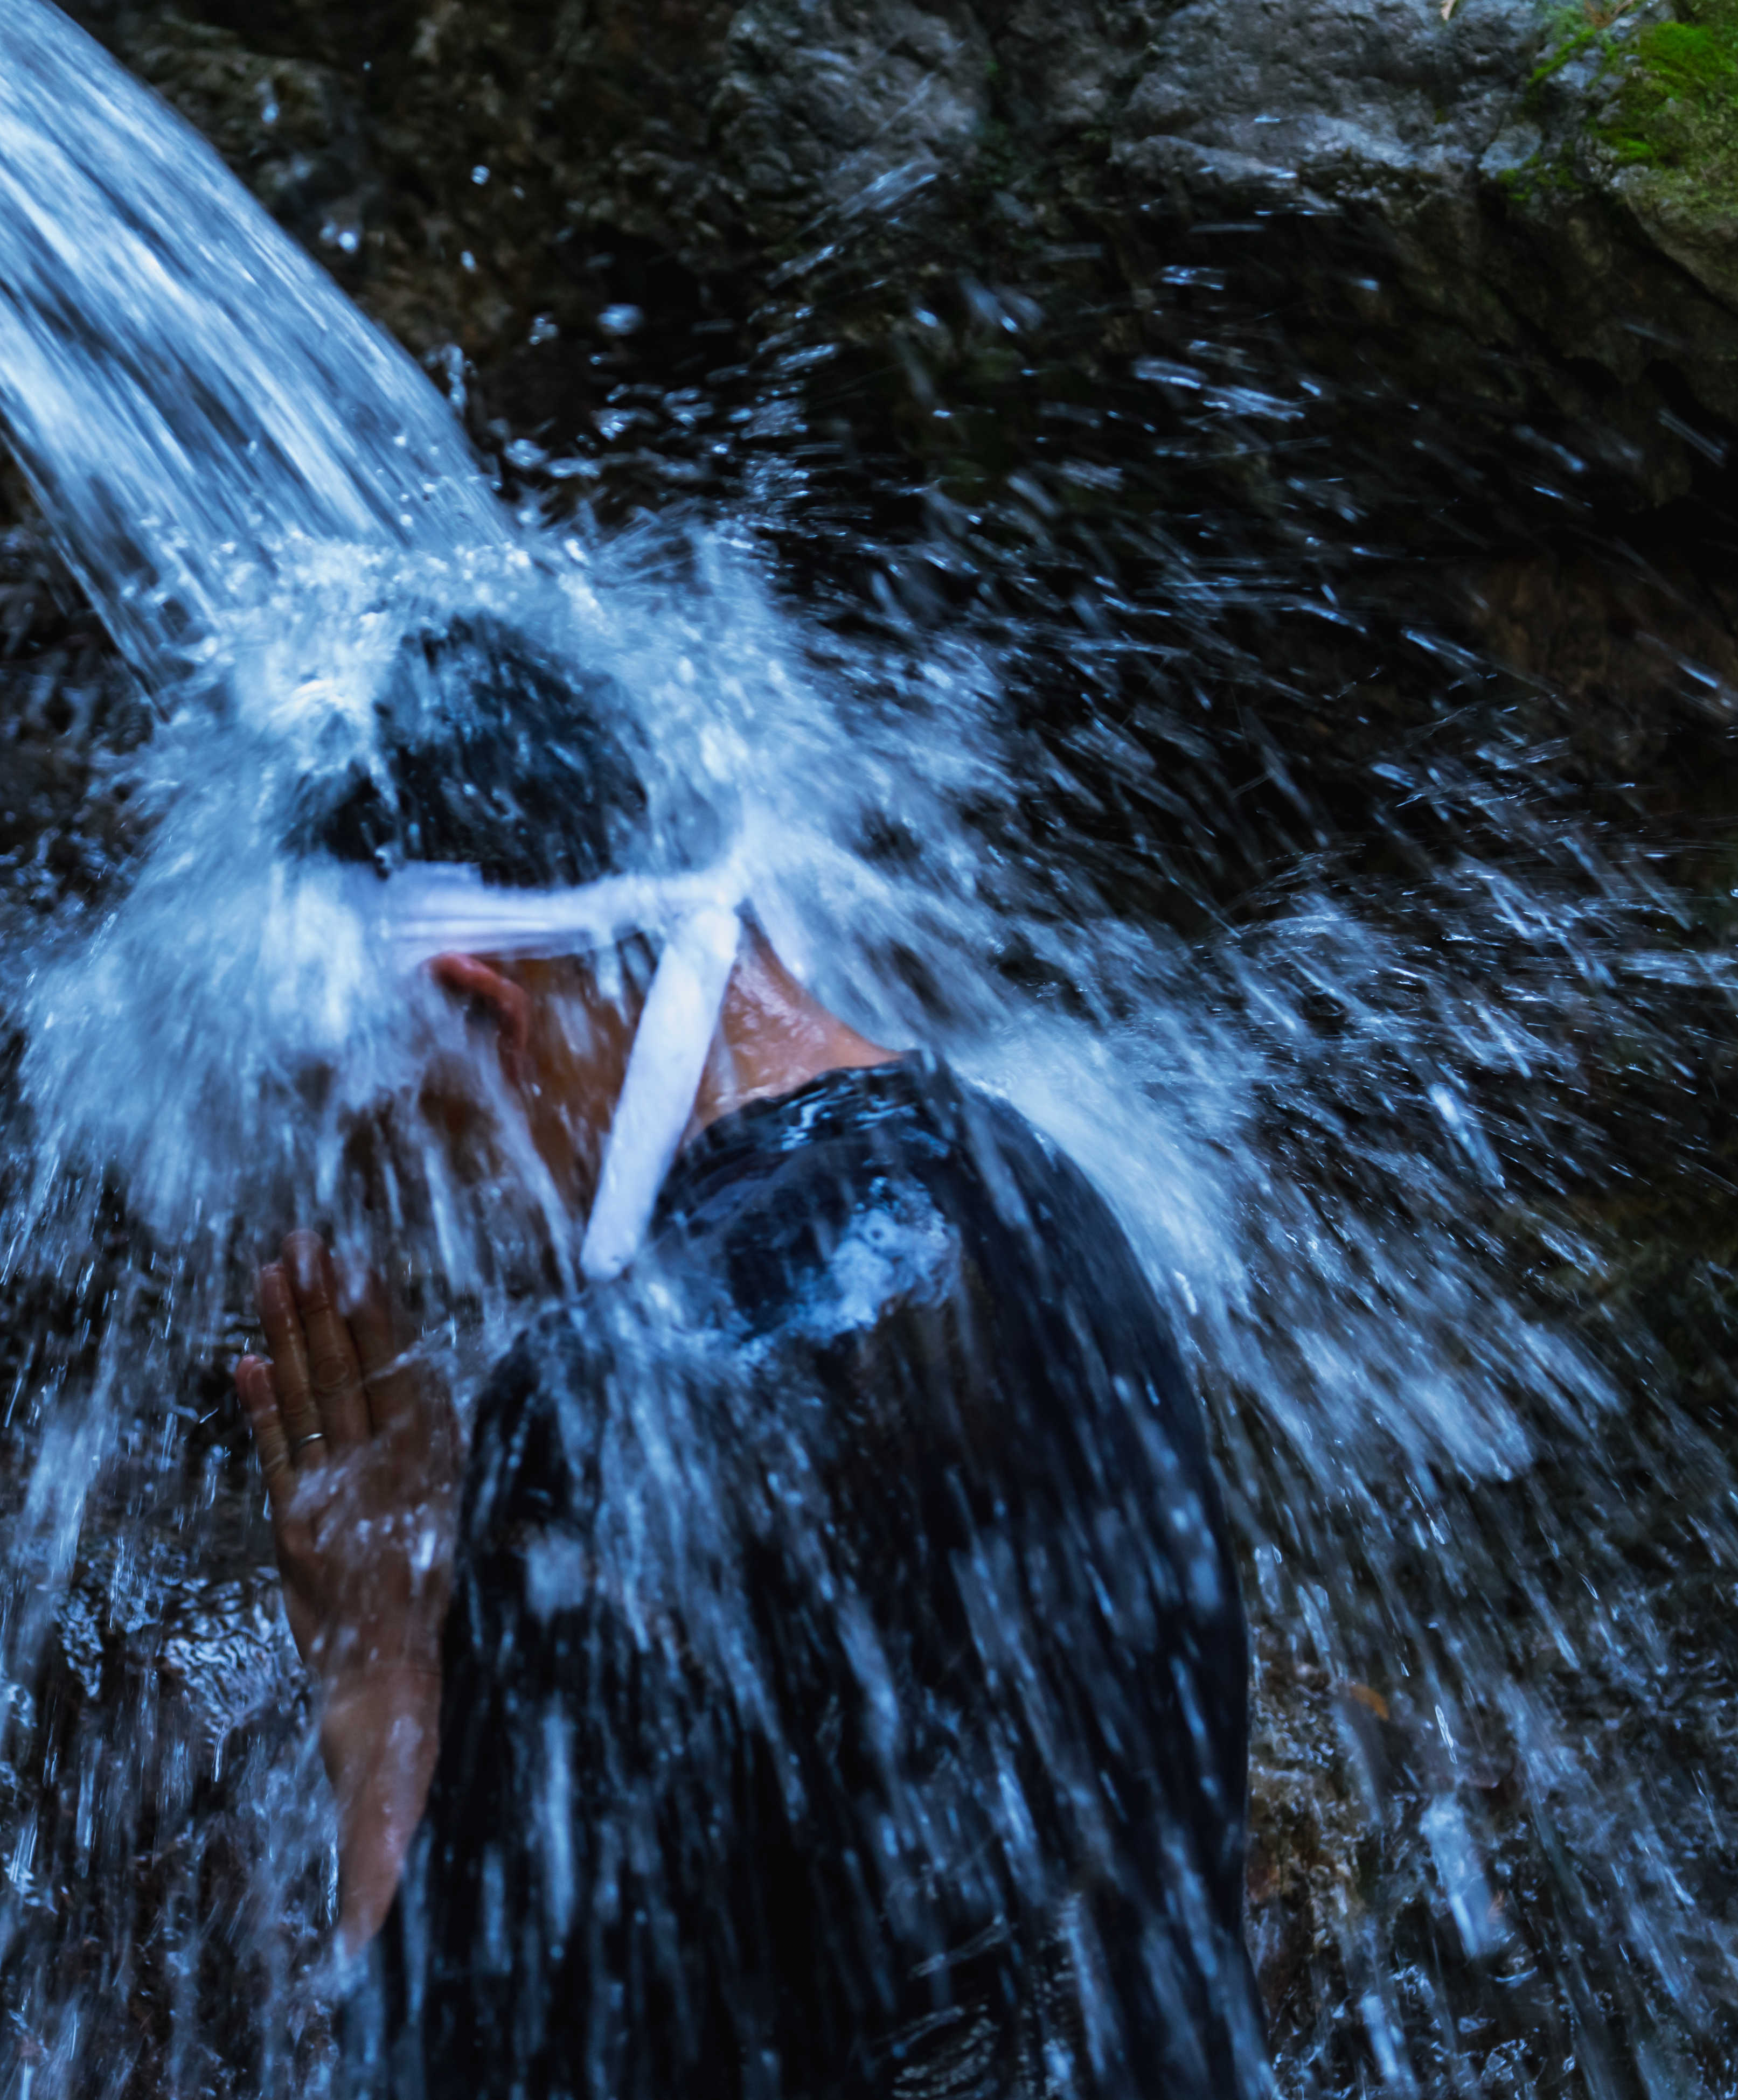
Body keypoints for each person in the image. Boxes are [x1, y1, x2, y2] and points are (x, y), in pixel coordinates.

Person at [231, 618, 1263, 2098]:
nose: (403, 1228)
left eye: (386, 1136)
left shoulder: (623, 1395)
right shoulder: (1051, 1196)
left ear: (475, 1011)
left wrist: (386, 1688)